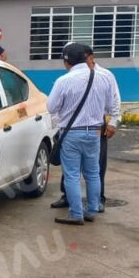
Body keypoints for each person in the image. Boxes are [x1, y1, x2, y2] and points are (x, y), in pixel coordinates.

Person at [46, 43, 114, 225]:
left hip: (71, 134)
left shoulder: (63, 81)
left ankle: (76, 214)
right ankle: (92, 210)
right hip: (95, 132)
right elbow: (109, 105)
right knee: (93, 173)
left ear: (67, 61)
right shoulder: (103, 78)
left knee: (72, 175)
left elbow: (51, 107)